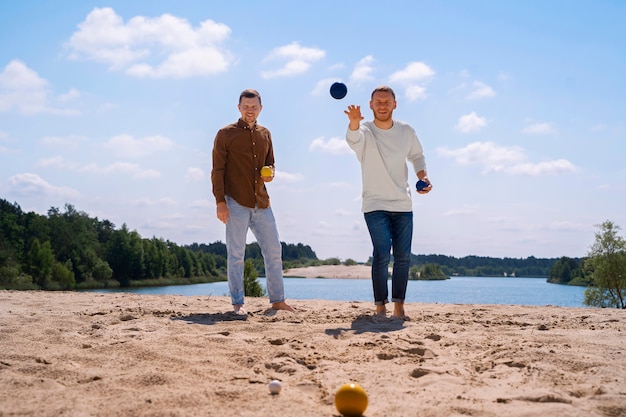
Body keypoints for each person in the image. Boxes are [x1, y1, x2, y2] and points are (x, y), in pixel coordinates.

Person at [344, 85, 432, 319]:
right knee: (382, 253)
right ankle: (380, 305)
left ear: (395, 104)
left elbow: (417, 156)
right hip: (374, 205)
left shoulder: (406, 131)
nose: (382, 105)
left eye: (387, 101)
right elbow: (353, 139)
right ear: (371, 105)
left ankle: (399, 305)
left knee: (403, 257)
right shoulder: (365, 131)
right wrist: (353, 122)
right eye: (378, 102)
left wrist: (423, 177)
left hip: (403, 204)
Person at [211, 89, 294, 315]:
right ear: (239, 108)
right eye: (246, 106)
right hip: (235, 201)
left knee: (274, 250)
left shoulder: (265, 134)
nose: (250, 110)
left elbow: (271, 164)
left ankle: (277, 301)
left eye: (254, 106)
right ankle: (238, 304)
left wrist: (270, 174)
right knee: (236, 254)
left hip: (262, 202)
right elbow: (217, 170)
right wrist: (220, 202)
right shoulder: (225, 134)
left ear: (260, 108)